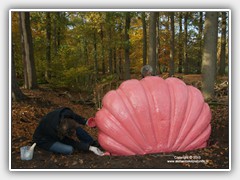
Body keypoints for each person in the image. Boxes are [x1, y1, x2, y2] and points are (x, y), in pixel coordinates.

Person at [33, 107, 104, 156]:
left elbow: (75, 117)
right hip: (43, 139)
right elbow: (70, 142)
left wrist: (86, 122)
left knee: (78, 128)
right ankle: (90, 146)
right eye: (72, 133)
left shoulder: (67, 113)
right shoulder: (54, 131)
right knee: (69, 149)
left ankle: (92, 143)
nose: (75, 134)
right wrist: (89, 148)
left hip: (55, 125)